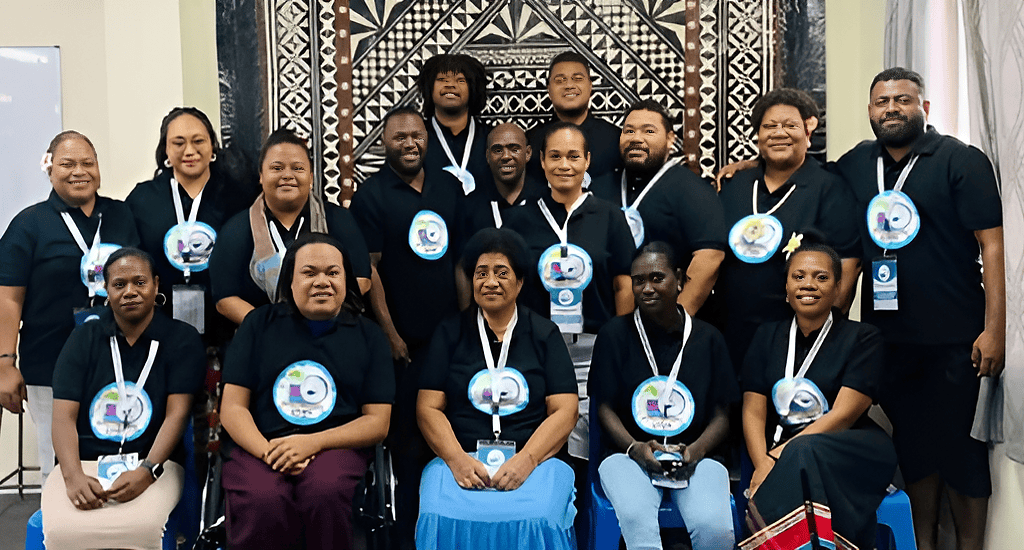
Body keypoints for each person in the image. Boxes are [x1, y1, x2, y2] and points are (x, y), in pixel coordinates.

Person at [831, 68, 1004, 550]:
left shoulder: (960, 160)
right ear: (869, 111)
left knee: (963, 454)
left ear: (924, 109)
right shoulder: (855, 164)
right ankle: (922, 544)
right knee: (915, 450)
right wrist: (743, 167)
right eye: (881, 101)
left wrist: (996, 330)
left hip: (957, 338)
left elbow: (993, 247)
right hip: (889, 339)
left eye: (903, 100)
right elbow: (803, 176)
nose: (891, 108)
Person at [219, 232, 394, 550]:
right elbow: (232, 408)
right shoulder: (258, 325)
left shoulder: (369, 336)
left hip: (335, 448)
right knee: (263, 498)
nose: (322, 282)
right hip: (261, 446)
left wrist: (311, 443)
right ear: (289, 279)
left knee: (324, 491)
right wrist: (269, 452)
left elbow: (377, 422)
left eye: (333, 272)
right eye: (309, 273)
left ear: (345, 279)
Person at [416, 227, 579, 549]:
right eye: (481, 273)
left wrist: (527, 460)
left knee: (539, 517)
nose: (490, 281)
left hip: (535, 461)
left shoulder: (544, 334)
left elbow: (565, 409)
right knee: (438, 513)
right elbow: (428, 407)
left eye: (502, 273)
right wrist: (455, 459)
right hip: (462, 458)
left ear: (519, 282)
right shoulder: (450, 332)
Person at [348, 107, 465, 545]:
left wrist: (467, 324)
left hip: (450, 338)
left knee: (454, 432)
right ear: (384, 142)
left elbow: (460, 263)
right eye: (400, 137)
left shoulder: (448, 187)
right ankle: (409, 535)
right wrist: (391, 334)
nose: (410, 143)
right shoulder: (371, 196)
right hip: (403, 345)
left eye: (417, 135)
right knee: (409, 445)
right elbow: (370, 271)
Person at [42, 247, 205, 549]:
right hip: (86, 461)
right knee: (63, 531)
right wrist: (73, 475)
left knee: (141, 529)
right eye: (119, 284)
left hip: (154, 462)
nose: (130, 291)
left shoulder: (182, 339)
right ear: (106, 290)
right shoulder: (84, 338)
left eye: (139, 282)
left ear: (156, 285)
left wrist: (148, 471)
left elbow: (177, 414)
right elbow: (62, 416)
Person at [0, 130, 139, 482]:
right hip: (49, 362)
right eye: (67, 164)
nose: (80, 171)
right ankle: (60, 532)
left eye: (88, 163)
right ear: (50, 169)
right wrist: (5, 363)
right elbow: (8, 299)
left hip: (119, 360)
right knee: (58, 463)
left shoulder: (121, 215)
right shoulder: (29, 225)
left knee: (116, 453)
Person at [740, 241, 897, 550]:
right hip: (784, 454)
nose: (808, 284)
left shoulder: (863, 337)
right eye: (798, 276)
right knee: (800, 454)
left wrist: (776, 456)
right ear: (786, 286)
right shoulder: (766, 336)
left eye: (821, 277)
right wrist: (763, 464)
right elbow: (753, 411)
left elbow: (843, 416)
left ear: (838, 286)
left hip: (851, 446)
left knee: (804, 449)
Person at [590, 242, 738, 550]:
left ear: (680, 279)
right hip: (627, 455)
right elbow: (603, 408)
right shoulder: (613, 335)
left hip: (699, 455)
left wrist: (695, 451)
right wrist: (634, 448)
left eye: (657, 278)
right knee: (635, 517)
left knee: (714, 528)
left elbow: (723, 415)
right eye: (638, 280)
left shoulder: (709, 338)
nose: (647, 288)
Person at [503, 121, 635, 461]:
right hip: (536, 346)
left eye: (574, 156)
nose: (565, 165)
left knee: (592, 441)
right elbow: (508, 285)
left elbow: (623, 284)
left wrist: (621, 342)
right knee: (543, 435)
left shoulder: (609, 217)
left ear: (587, 160)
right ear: (542, 162)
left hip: (594, 348)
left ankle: (587, 508)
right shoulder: (520, 219)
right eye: (556, 156)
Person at [716, 89, 860, 369]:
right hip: (732, 332)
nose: (778, 133)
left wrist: (822, 333)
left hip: (798, 334)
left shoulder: (830, 188)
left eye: (790, 126)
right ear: (757, 136)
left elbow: (849, 264)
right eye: (769, 126)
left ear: (808, 133)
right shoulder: (734, 185)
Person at [209, 128, 371, 326]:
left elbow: (362, 279)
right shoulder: (237, 229)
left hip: (329, 331)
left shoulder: (338, 220)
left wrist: (319, 316)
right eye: (277, 168)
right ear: (261, 176)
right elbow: (225, 299)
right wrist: (270, 327)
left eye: (298, 168)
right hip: (264, 336)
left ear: (311, 177)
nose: (287, 175)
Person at [125, 106, 256, 337]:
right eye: (178, 143)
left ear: (212, 146)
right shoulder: (143, 200)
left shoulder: (239, 196)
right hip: (159, 324)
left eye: (198, 141)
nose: (190, 150)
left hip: (227, 324)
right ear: (165, 149)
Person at [590, 99, 727, 315]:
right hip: (604, 321)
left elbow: (710, 257)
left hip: (665, 321)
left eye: (649, 131)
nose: (636, 138)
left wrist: (677, 322)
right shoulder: (597, 188)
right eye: (629, 131)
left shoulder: (692, 189)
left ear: (670, 139)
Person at [526, 51, 623, 185]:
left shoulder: (616, 140)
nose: (569, 86)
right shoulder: (531, 141)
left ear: (590, 86)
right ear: (549, 90)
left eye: (577, 79)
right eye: (560, 80)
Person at [416, 53, 492, 196]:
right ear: (429, 88)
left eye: (460, 80)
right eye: (441, 79)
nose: (450, 85)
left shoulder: (492, 139)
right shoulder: (415, 139)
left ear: (473, 88)